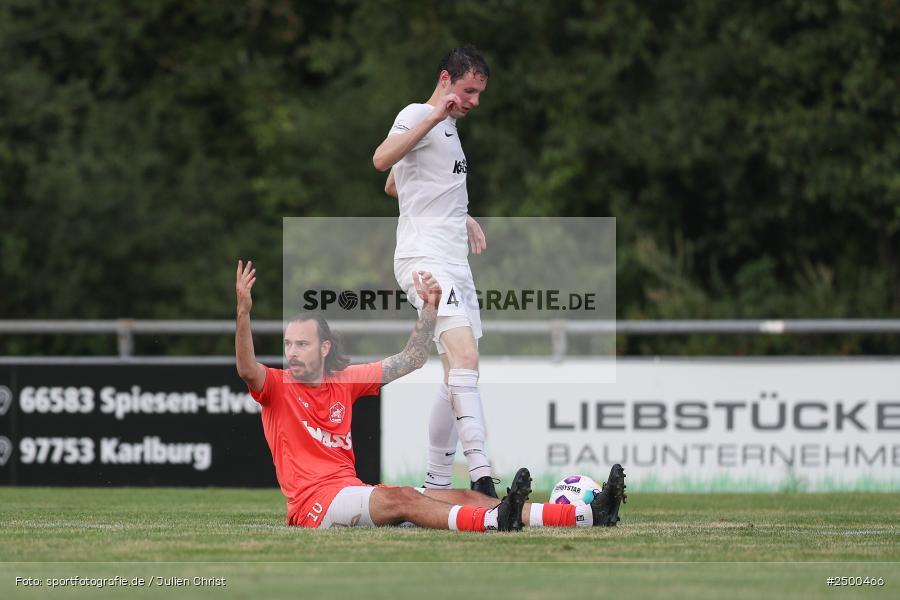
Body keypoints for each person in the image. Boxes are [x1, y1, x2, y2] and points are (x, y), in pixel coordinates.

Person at [234, 259, 626, 530]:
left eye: (301, 344)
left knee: (461, 495)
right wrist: (244, 314)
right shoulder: (277, 386)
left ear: (323, 348)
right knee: (404, 496)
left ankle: (587, 515)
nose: (291, 353)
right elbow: (247, 369)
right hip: (313, 507)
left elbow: (412, 359)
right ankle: (495, 522)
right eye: (288, 345)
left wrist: (429, 310)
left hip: (350, 492)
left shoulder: (346, 380)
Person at [372, 45, 498, 498]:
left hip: (452, 261)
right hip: (424, 259)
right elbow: (382, 160)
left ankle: (437, 483)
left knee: (455, 373)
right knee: (465, 358)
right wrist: (431, 117)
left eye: (479, 93)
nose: (474, 101)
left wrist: (458, 214)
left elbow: (397, 184)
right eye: (468, 90)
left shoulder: (446, 128)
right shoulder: (418, 114)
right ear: (446, 79)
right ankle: (482, 476)